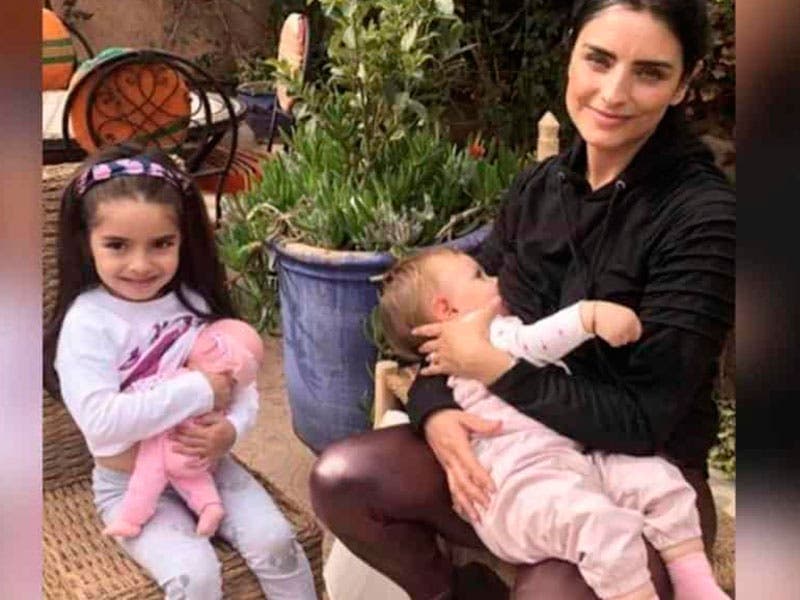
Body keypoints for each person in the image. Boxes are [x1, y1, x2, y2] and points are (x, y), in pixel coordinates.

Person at [309, 0, 735, 598]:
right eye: (599, 60)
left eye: (649, 72)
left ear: (684, 83)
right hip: (514, 455)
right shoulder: (540, 188)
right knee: (343, 476)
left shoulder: (701, 218)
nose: (614, 93)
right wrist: (436, 412)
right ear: (571, 57)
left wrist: (496, 370)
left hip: (641, 478)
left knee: (553, 591)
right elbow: (444, 328)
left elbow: (644, 423)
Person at [43, 144, 318, 600]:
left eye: (161, 244)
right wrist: (201, 390)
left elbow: (240, 382)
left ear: (181, 240)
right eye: (117, 245)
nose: (141, 264)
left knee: (277, 542)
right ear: (86, 243)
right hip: (131, 486)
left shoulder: (193, 302)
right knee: (195, 575)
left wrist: (231, 429)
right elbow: (102, 423)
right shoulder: (88, 323)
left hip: (212, 466)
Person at [377, 247, 729, 600]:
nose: (497, 280)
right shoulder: (490, 333)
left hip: (572, 459)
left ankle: (694, 584)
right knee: (599, 528)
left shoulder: (461, 351)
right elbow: (541, 339)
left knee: (656, 480)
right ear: (446, 310)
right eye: (480, 276)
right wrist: (589, 316)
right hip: (521, 487)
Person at [103, 318, 265, 539]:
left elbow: (140, 392)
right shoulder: (216, 388)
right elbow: (108, 416)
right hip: (188, 455)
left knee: (146, 480)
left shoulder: (179, 376)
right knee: (195, 479)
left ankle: (131, 520)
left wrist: (232, 429)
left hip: (167, 445)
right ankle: (210, 507)